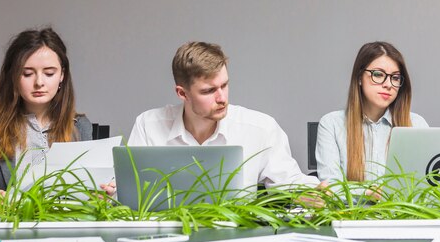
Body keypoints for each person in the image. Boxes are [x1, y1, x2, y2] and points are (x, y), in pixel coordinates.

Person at [103, 41, 321, 195]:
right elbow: (129, 192)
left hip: (235, 241)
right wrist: (113, 192)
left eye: (224, 85)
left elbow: (290, 183)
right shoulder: (148, 125)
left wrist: (317, 192)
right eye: (208, 91)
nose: (221, 98)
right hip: (167, 240)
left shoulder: (260, 128)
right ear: (182, 93)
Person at [0, 28, 93, 204]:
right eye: (27, 74)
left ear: (62, 75)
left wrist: (102, 192)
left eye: (49, 73)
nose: (39, 82)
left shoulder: (80, 126)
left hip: (63, 228)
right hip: (7, 228)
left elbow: (89, 187)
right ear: (12, 76)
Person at [315, 41, 428, 185]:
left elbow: (426, 185)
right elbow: (330, 187)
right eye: (378, 74)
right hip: (349, 208)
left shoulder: (417, 124)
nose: (388, 84)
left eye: (395, 78)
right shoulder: (331, 124)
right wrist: (369, 193)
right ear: (359, 78)